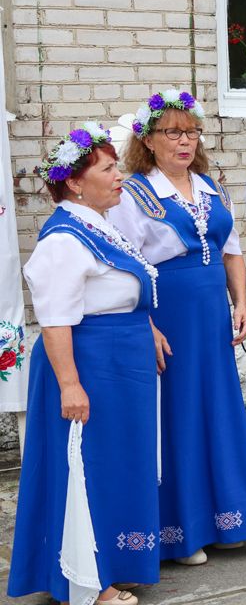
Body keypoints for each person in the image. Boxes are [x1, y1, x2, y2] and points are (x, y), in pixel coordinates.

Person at [108, 90, 246, 566]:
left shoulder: (210, 187)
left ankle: (228, 517)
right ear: (148, 140)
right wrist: (144, 324)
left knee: (217, 406)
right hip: (169, 313)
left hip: (210, 313)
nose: (185, 141)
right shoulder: (134, 194)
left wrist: (240, 302)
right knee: (178, 412)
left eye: (191, 132)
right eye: (173, 132)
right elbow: (127, 265)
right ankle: (182, 530)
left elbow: (231, 250)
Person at [9, 124, 168, 605]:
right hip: (89, 366)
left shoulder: (99, 224)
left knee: (117, 465)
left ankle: (115, 564)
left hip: (118, 366)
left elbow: (114, 291)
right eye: (108, 169)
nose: (120, 176)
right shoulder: (64, 239)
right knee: (88, 467)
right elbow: (55, 319)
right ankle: (89, 583)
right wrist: (70, 385)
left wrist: (146, 328)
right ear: (76, 183)